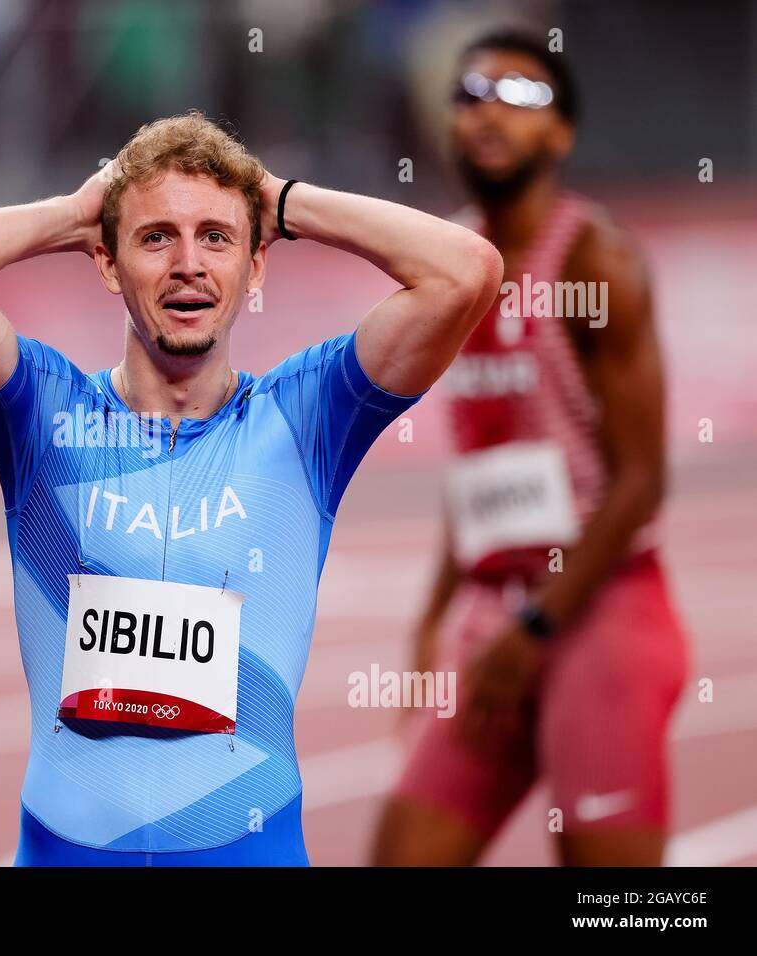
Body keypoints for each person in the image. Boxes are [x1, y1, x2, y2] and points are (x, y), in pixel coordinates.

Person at [0, 110, 501, 866]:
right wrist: (76, 214)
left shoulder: (304, 417)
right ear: (107, 263)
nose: (188, 264)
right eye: (154, 237)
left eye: (216, 237)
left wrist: (280, 202)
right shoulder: (44, 414)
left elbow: (467, 272)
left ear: (256, 266)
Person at [371, 29, 689, 867]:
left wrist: (542, 624)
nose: (488, 112)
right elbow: (484, 472)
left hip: (600, 610)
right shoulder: (449, 266)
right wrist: (435, 618)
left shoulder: (596, 260)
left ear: (562, 136)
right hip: (495, 613)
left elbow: (644, 481)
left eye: (520, 97)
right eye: (471, 94)